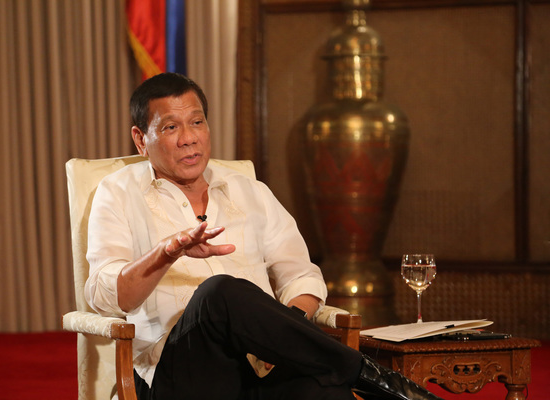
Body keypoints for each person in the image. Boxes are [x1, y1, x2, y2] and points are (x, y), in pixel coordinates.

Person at [85, 72, 443, 400]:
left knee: (324, 390)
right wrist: (165, 254)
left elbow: (301, 277)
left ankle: (367, 382)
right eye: (170, 128)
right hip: (180, 376)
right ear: (140, 140)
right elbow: (105, 297)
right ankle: (375, 378)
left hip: (259, 369)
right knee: (219, 293)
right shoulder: (118, 192)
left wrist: (283, 331)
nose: (189, 138)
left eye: (197, 122)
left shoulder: (249, 191)